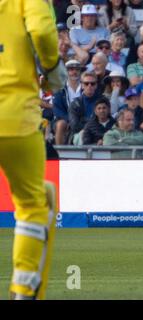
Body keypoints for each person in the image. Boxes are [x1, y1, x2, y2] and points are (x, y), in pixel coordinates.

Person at [1, 0, 64, 300]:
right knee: (34, 204)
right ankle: (23, 292)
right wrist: (52, 69)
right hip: (16, 117)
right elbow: (41, 31)